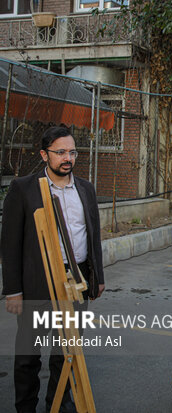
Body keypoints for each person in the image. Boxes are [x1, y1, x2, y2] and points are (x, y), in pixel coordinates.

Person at [2, 125, 105, 413]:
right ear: (44, 155)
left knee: (67, 352)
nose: (67, 158)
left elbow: (93, 236)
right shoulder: (23, 189)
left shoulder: (85, 188)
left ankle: (58, 404)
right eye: (60, 152)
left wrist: (97, 278)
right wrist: (13, 291)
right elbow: (9, 245)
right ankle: (25, 407)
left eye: (72, 152)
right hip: (37, 283)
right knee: (29, 355)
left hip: (76, 281)